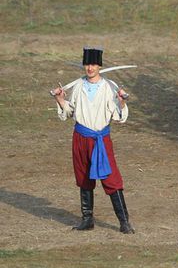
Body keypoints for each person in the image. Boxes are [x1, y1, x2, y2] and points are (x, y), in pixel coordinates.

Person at [52, 47, 134, 234]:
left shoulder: (108, 87)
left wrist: (121, 101)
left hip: (100, 140)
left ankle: (124, 222)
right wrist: (60, 99)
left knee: (111, 179)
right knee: (84, 178)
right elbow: (70, 112)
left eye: (93, 64)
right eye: (87, 64)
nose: (90, 68)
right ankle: (87, 219)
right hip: (80, 138)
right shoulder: (78, 86)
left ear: (99, 65)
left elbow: (118, 115)